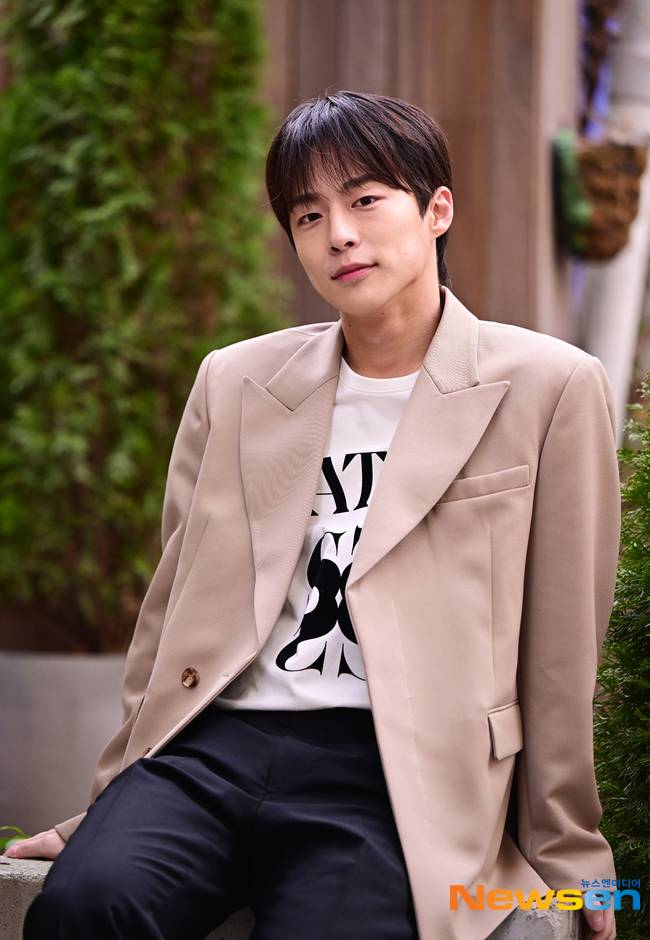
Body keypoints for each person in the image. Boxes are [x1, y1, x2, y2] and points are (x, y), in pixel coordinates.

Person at [8, 91, 619, 940]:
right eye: (308, 215)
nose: (338, 234)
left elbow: (562, 647)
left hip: (392, 772)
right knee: (87, 903)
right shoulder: (235, 381)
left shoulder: (549, 386)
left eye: (365, 200)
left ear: (437, 210)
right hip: (212, 753)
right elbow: (172, 612)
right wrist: (111, 803)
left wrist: (569, 852)